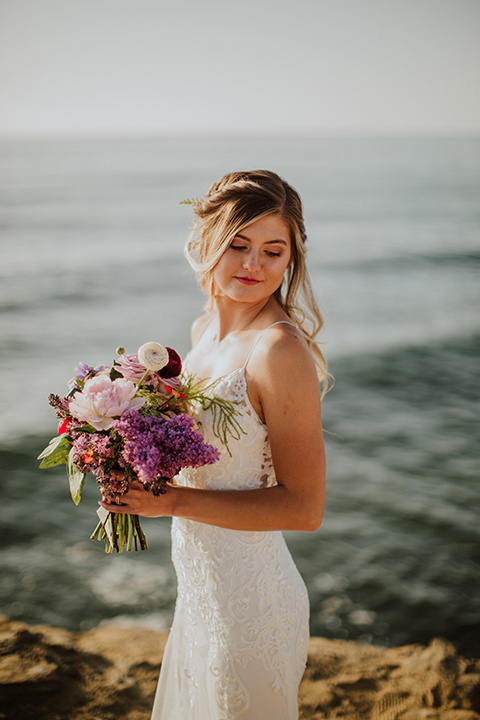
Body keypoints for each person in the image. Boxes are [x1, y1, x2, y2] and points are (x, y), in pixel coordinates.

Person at [100, 170, 328, 719]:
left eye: (274, 251)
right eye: (237, 245)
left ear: (291, 260)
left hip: (253, 605)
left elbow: (304, 507)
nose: (253, 265)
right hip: (201, 591)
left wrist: (172, 502)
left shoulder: (279, 352)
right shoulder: (204, 330)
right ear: (208, 245)